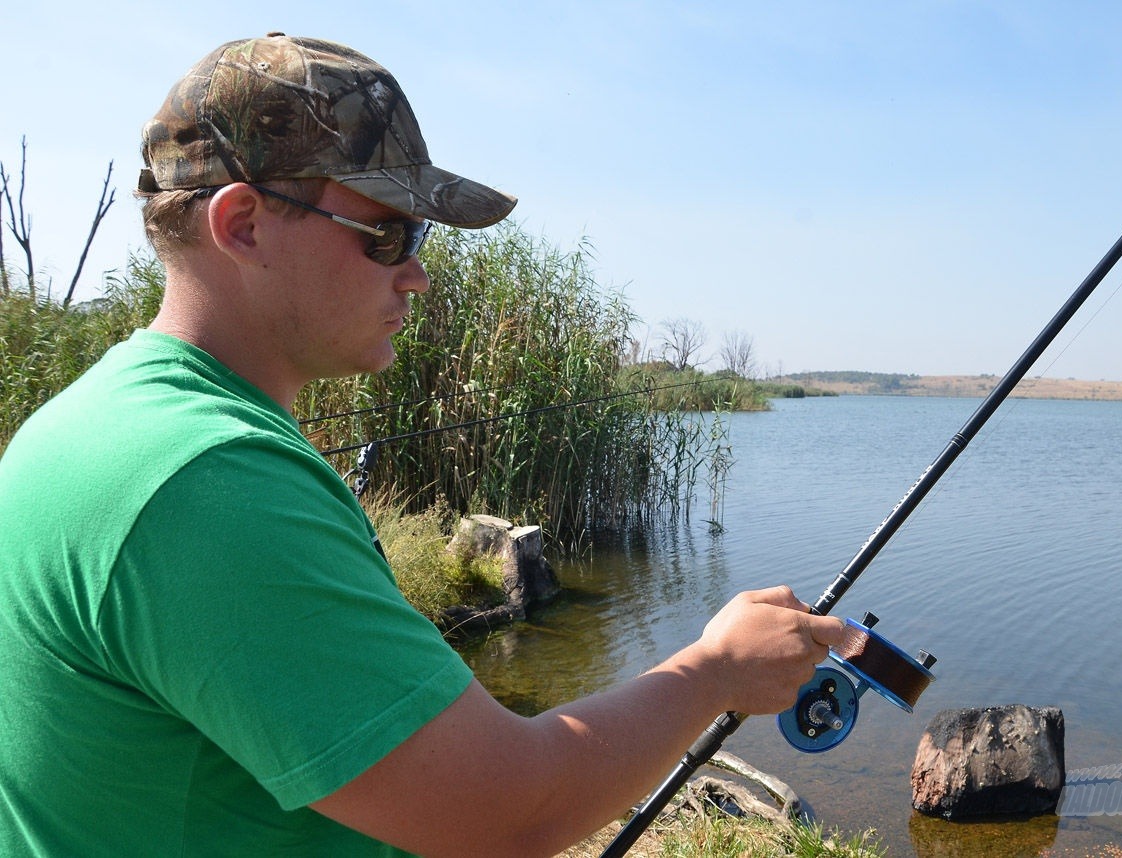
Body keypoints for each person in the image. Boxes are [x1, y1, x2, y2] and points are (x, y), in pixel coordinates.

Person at [0, 34, 847, 857]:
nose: (416, 272)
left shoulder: (100, 421)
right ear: (245, 225)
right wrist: (712, 672)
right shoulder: (203, 481)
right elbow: (506, 816)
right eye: (387, 233)